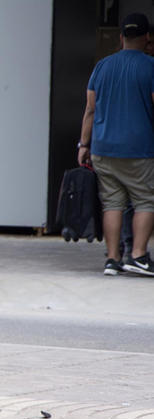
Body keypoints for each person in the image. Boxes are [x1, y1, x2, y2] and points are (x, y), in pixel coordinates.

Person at [78, 13, 154, 277]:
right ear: (147, 37)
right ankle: (139, 255)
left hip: (103, 148)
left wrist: (83, 144)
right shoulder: (151, 67)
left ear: (121, 37)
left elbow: (90, 109)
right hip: (139, 149)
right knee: (146, 200)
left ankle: (112, 259)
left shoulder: (102, 67)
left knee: (112, 203)